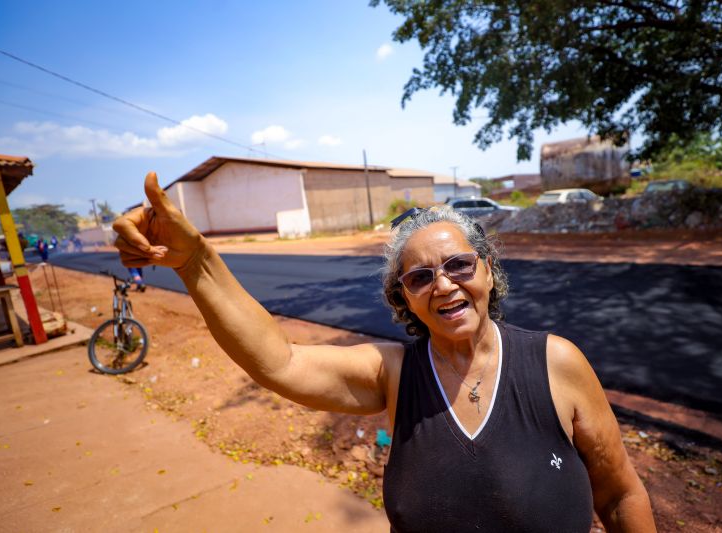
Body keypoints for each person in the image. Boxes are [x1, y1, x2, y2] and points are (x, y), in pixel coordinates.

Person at [114, 173, 655, 532]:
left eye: (459, 266)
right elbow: (278, 361)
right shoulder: (394, 375)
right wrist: (195, 262)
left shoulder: (555, 363)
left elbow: (618, 495)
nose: (443, 286)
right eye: (420, 278)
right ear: (405, 300)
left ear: (488, 269)